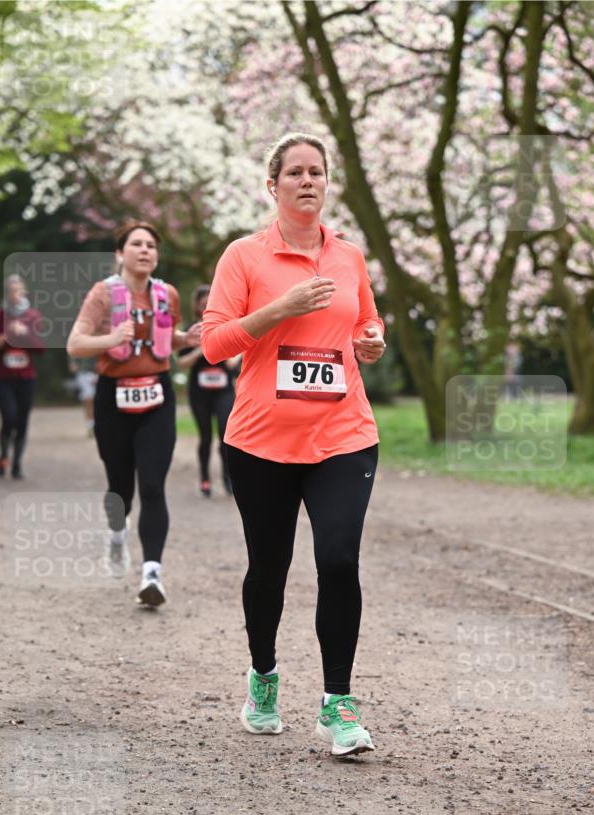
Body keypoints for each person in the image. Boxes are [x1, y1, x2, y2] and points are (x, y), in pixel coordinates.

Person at [201, 132, 386, 756]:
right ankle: (264, 675)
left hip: (344, 436)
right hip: (261, 442)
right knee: (269, 569)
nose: (308, 181)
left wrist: (371, 341)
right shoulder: (244, 257)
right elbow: (215, 343)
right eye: (295, 172)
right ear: (273, 185)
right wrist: (279, 308)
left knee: (337, 560)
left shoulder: (349, 256)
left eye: (317, 172)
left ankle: (338, 704)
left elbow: (366, 320)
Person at [67, 220, 198, 607]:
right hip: (113, 398)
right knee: (120, 486)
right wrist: (112, 338)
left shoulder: (166, 294)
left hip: (157, 396)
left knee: (153, 485)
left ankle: (151, 573)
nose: (144, 251)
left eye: (150, 246)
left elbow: (165, 340)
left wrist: (186, 338)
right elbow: (75, 344)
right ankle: (117, 533)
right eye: (136, 244)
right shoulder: (103, 294)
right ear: (119, 254)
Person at [177, 284, 239, 497]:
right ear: (196, 307)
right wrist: (200, 349)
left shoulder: (227, 327)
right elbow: (182, 363)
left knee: (224, 435)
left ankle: (227, 479)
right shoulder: (191, 330)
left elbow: (233, 362)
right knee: (205, 437)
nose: (206, 308)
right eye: (203, 304)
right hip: (199, 392)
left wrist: (220, 345)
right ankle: (205, 479)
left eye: (209, 303)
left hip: (224, 391)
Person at [0, 274, 44, 479]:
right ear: (6, 293)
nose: (15, 294)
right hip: (4, 377)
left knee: (22, 421)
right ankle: (3, 456)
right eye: (11, 291)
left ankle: (17, 464)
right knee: (8, 418)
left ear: (24, 292)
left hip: (26, 377)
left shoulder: (33, 316)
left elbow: (41, 348)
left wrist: (25, 333)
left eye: (19, 290)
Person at [70, 356, 98, 436]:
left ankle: (95, 425)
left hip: (98, 372)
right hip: (84, 373)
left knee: (95, 402)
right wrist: (72, 363)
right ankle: (90, 426)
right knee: (88, 401)